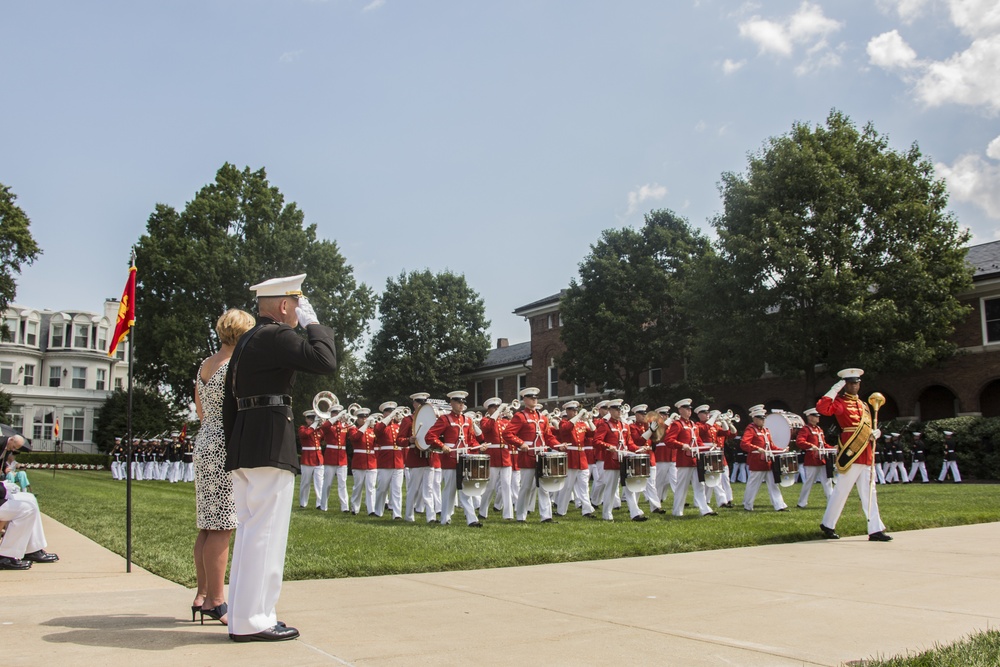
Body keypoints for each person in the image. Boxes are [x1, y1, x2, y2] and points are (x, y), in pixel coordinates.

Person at [222, 274, 337, 642]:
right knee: (266, 534)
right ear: (286, 306)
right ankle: (255, 618)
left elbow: (229, 402)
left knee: (251, 531)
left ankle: (243, 614)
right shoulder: (276, 335)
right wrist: (315, 325)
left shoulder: (245, 341)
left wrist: (235, 445)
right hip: (270, 442)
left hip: (246, 443)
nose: (298, 312)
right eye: (297, 305)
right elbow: (325, 361)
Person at [192, 308, 255, 625]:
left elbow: (202, 411)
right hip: (224, 444)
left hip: (205, 440)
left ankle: (202, 594)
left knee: (207, 524)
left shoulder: (205, 365)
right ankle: (216, 601)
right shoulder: (235, 367)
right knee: (222, 526)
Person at [817, 368, 891, 542]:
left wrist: (874, 433)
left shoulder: (864, 405)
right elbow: (823, 407)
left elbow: (865, 426)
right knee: (842, 490)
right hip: (851, 452)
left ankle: (875, 529)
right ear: (845, 385)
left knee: (870, 492)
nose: (854, 386)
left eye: (856, 383)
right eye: (850, 383)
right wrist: (836, 388)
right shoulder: (840, 402)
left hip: (865, 452)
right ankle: (828, 524)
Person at [0, 431, 58, 569]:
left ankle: (32, 549)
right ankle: (6, 556)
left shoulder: (4, 447)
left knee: (30, 499)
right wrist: (6, 488)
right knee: (26, 509)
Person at [426, 391, 485, 527]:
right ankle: (445, 518)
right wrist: (442, 446)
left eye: (463, 402)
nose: (461, 405)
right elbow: (430, 437)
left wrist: (479, 446)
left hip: (465, 458)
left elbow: (470, 441)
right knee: (450, 489)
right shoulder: (445, 419)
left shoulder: (468, 420)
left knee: (466, 489)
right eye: (459, 402)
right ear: (452, 403)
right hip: (451, 458)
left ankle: (472, 519)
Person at [504, 387, 562, 523]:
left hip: (542, 455)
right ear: (524, 400)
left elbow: (548, 436)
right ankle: (521, 516)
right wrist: (520, 443)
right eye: (531, 398)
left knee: (544, 486)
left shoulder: (542, 417)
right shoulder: (520, 416)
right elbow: (507, 433)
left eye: (535, 398)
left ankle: (546, 516)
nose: (534, 400)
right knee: (526, 487)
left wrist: (558, 445)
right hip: (528, 455)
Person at [594, 400, 647, 522]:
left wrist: (638, 449)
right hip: (612, 460)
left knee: (629, 487)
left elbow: (629, 443)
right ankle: (607, 514)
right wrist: (608, 446)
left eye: (620, 409)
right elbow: (596, 441)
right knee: (611, 488)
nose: (619, 412)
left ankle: (635, 514)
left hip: (625, 460)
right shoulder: (605, 425)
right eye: (616, 410)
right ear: (610, 411)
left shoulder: (625, 426)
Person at [664, 399, 716, 517]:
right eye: (686, 409)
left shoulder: (693, 424)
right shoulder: (677, 424)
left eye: (690, 409)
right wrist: (682, 445)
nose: (689, 411)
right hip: (684, 461)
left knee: (700, 485)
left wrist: (706, 447)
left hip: (696, 459)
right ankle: (677, 511)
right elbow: (669, 440)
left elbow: (698, 441)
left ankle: (704, 510)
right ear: (680, 410)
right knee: (682, 487)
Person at [740, 405, 789, 512]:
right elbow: (744, 444)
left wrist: (781, 449)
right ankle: (748, 505)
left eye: (764, 418)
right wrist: (757, 448)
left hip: (768, 462)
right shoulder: (751, 429)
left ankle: (780, 505)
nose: (763, 420)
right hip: (757, 462)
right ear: (755, 419)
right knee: (753, 485)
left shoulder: (766, 430)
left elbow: (771, 446)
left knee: (774, 484)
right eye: (761, 418)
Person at [554, 401, 595, 518]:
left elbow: (593, 434)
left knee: (584, 486)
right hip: (570, 456)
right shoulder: (563, 422)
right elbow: (566, 429)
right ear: (567, 411)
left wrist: (589, 420)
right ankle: (561, 510)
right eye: (573, 410)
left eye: (576, 410)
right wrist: (578, 417)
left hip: (581, 457)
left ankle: (587, 510)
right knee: (567, 486)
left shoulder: (581, 424)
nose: (575, 412)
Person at [477, 397, 514, 521]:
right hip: (492, 455)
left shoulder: (505, 422)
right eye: (494, 408)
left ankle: (508, 514)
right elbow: (487, 428)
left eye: (498, 407)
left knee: (507, 485)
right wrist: (497, 413)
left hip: (505, 455)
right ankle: (483, 511)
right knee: (490, 486)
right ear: (489, 409)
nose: (497, 410)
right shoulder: (485, 420)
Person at [794, 408, 834, 508]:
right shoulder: (806, 429)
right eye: (815, 416)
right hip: (812, 459)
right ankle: (802, 502)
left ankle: (832, 502)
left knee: (827, 481)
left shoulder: (819, 429)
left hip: (822, 459)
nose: (818, 418)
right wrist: (811, 446)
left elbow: (823, 444)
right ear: (810, 417)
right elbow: (800, 441)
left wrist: (832, 448)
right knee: (809, 482)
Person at [373, 402, 404, 519]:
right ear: (384, 413)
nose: (391, 413)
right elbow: (378, 430)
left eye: (392, 411)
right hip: (385, 461)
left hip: (398, 461)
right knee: (382, 489)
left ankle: (397, 513)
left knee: (396, 489)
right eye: (388, 411)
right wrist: (390, 417)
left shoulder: (398, 426)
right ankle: (378, 511)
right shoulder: (380, 425)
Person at [319, 404, 350, 513]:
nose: (337, 414)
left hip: (342, 457)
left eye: (338, 412)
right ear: (331, 414)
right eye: (335, 412)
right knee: (327, 483)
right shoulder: (328, 424)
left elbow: (353, 432)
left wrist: (348, 420)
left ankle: (345, 507)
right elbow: (324, 427)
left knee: (342, 483)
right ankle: (323, 506)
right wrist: (337, 417)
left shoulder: (344, 425)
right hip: (331, 457)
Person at [348, 409, 378, 515]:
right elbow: (355, 438)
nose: (364, 419)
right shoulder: (353, 429)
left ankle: (371, 510)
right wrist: (365, 425)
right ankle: (355, 508)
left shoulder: (372, 431)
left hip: (371, 461)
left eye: (366, 417)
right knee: (358, 486)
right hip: (359, 462)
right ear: (358, 419)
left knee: (371, 487)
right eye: (362, 418)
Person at [296, 410, 325, 509]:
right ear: (306, 419)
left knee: (319, 482)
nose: (312, 421)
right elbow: (305, 434)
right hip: (307, 459)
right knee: (306, 482)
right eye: (311, 419)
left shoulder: (318, 430)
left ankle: (320, 503)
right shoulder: (302, 428)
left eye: (314, 419)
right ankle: (303, 503)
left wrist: (322, 423)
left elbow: (325, 435)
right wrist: (316, 423)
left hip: (318, 458)